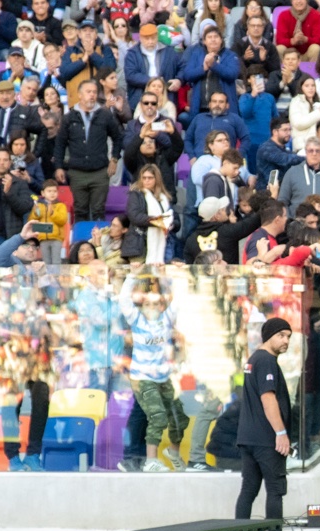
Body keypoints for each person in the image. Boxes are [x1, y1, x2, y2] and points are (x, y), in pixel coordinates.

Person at [235, 317, 296, 531]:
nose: (286, 341)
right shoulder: (266, 361)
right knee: (275, 490)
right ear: (268, 335)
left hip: (248, 438)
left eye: (289, 336)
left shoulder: (253, 360)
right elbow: (268, 399)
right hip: (265, 439)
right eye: (281, 335)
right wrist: (281, 433)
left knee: (248, 489)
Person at [118, 266, 189, 472]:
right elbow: (124, 300)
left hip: (163, 377)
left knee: (179, 418)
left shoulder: (166, 320)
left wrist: (169, 277)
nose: (152, 306)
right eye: (148, 303)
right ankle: (151, 461)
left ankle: (173, 453)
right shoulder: (137, 320)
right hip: (143, 378)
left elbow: (180, 299)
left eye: (157, 303)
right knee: (157, 416)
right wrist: (132, 276)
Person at [54, 80, 123, 221]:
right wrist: (59, 167)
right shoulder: (69, 117)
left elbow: (118, 138)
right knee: (80, 210)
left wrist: (114, 159)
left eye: (94, 92)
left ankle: (98, 242)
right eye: (88, 92)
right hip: (77, 172)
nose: (92, 95)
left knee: (98, 211)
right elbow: (60, 143)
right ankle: (81, 242)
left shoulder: (105, 115)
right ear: (79, 95)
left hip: (100, 172)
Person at [123, 23, 183, 111]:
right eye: (147, 39)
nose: (150, 41)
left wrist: (179, 80)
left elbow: (182, 67)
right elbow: (131, 75)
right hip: (141, 96)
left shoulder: (169, 51)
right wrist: (154, 82)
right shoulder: (132, 54)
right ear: (140, 38)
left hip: (166, 97)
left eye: (153, 38)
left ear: (157, 37)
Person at [279, 137, 320, 215]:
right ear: (306, 152)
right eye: (311, 151)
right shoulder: (292, 172)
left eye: (318, 151)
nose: (314, 154)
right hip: (298, 223)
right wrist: (289, 221)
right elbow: (283, 201)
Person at [28, 178, 67, 264]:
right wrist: (35, 212)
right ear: (43, 193)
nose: (52, 193)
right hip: (42, 239)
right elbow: (32, 221)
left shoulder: (61, 206)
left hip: (56, 238)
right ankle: (48, 277)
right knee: (46, 262)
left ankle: (56, 277)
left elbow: (63, 220)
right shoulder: (40, 206)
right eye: (49, 191)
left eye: (55, 191)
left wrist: (52, 212)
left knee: (56, 261)